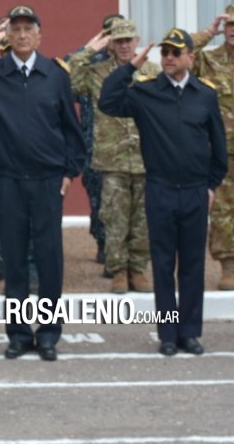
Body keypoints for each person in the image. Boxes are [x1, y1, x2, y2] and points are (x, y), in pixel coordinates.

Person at [0, 5, 85, 361]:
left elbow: (72, 129)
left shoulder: (54, 75)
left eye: (28, 29)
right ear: (7, 35)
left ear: (39, 35)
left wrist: (69, 174)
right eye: (15, 29)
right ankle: (20, 334)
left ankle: (49, 333)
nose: (21, 35)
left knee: (50, 259)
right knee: (14, 260)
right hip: (7, 181)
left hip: (48, 182)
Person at [98, 28, 228, 356]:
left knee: (193, 265)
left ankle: (190, 333)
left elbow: (219, 148)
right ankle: (168, 335)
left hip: (196, 192)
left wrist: (211, 185)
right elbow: (108, 101)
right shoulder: (145, 93)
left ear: (190, 58)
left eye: (175, 52)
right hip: (160, 190)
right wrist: (129, 68)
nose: (168, 58)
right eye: (165, 53)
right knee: (163, 264)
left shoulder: (205, 95)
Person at [68, 19, 159, 293]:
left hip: (147, 158)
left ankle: (138, 270)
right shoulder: (97, 73)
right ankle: (118, 270)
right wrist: (87, 50)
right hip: (112, 159)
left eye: (128, 40)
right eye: (118, 41)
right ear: (110, 43)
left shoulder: (153, 71)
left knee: (143, 219)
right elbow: (69, 79)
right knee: (115, 218)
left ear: (137, 40)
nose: (124, 46)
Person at [68, 14, 123, 274]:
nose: (115, 40)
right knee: (98, 200)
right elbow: (64, 74)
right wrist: (88, 48)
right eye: (109, 34)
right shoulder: (91, 65)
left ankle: (118, 255)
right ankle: (103, 242)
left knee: (121, 204)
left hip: (123, 148)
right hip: (93, 145)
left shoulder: (130, 65)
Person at [190, 4, 234, 291]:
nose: (233, 31)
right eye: (230, 25)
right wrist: (208, 32)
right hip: (222, 150)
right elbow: (183, 55)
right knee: (222, 211)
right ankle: (228, 266)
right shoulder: (208, 60)